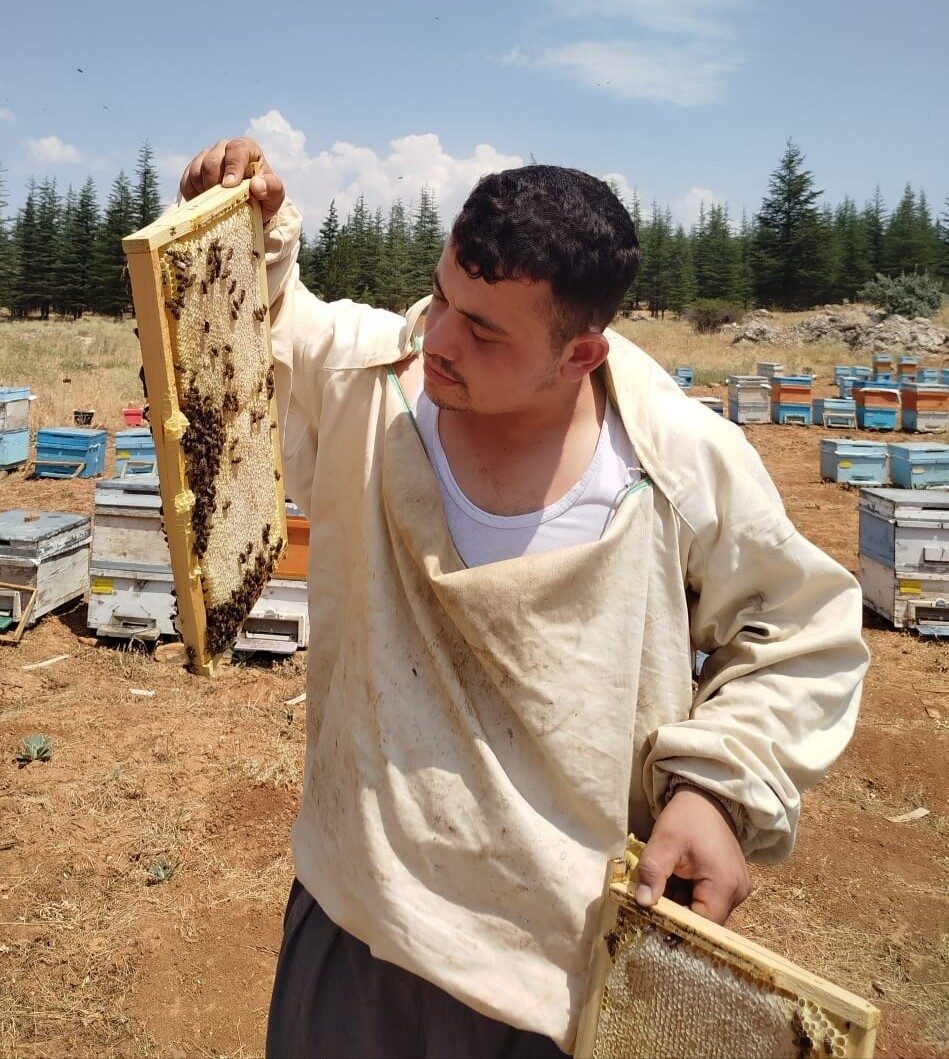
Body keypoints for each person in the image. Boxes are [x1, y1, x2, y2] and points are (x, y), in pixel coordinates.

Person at [176, 139, 869, 1058]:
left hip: (555, 968)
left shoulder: (673, 460)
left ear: (579, 351)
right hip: (355, 922)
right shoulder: (370, 386)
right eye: (440, 298)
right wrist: (237, 228)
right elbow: (263, 322)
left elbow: (800, 629)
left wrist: (716, 789)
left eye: (485, 330)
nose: (438, 339)